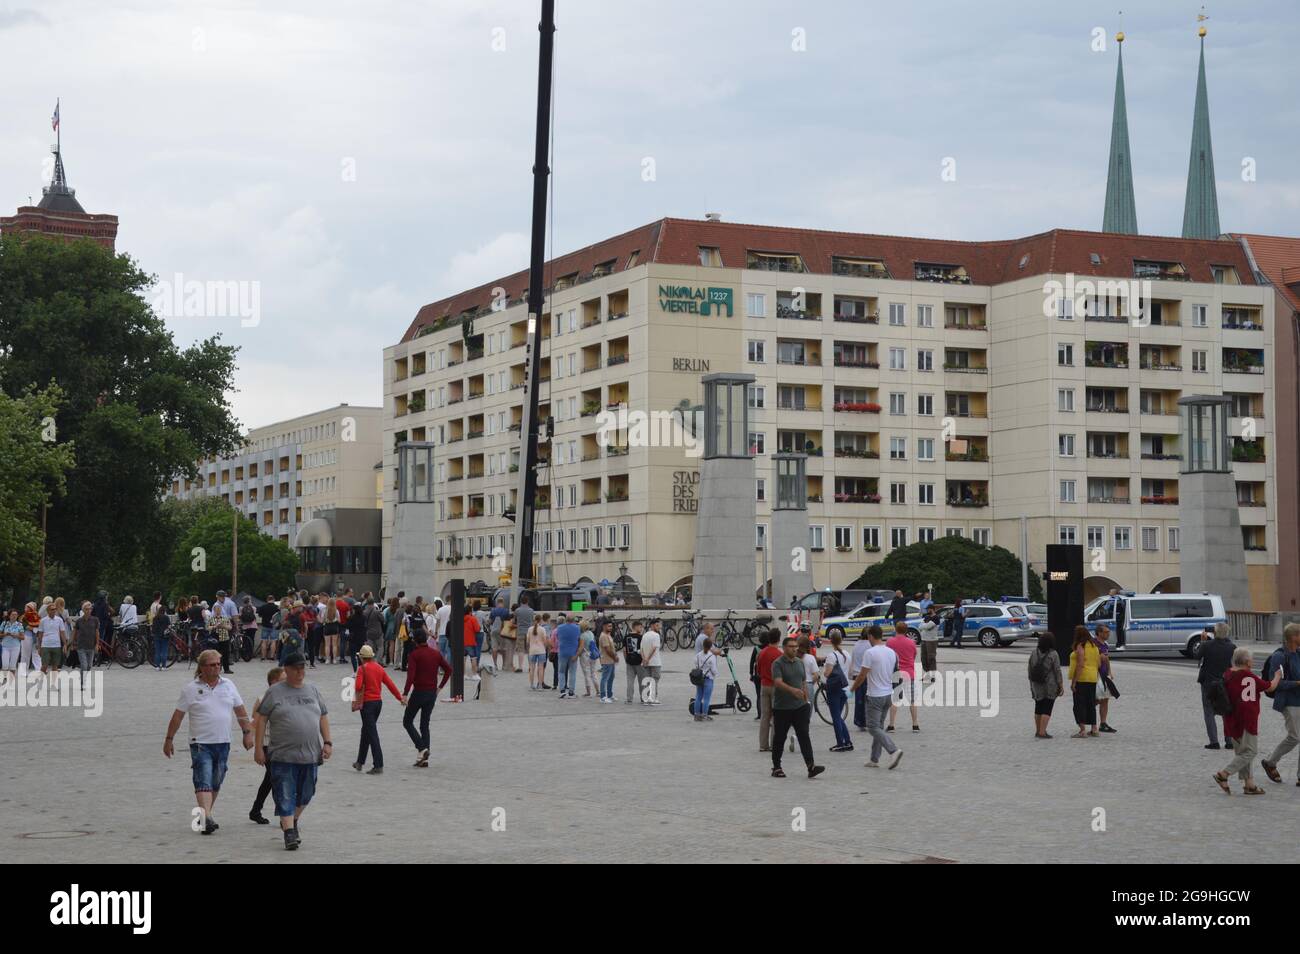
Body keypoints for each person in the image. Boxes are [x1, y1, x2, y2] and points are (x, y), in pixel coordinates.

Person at [163, 649, 254, 835]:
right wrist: (169, 739)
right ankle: (206, 818)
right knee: (203, 779)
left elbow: (241, 712)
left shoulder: (228, 685)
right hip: (200, 742)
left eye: (219, 663)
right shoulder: (190, 689)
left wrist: (247, 733)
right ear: (202, 667)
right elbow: (177, 716)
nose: (217, 667)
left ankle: (206, 816)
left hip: (223, 741)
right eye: (212, 664)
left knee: (216, 781)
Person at [254, 653, 331, 850]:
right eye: (296, 668)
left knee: (307, 792)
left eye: (302, 668)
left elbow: (323, 715)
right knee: (285, 793)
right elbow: (261, 718)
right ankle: (289, 832)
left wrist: (328, 742)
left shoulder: (312, 690)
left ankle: (292, 819)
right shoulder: (275, 692)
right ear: (286, 670)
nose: (300, 672)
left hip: (310, 753)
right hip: (282, 754)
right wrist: (258, 748)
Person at [1213, 647, 1282, 796]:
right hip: (1247, 719)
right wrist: (1277, 676)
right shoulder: (1249, 676)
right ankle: (1223, 774)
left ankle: (1249, 785)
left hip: (1231, 718)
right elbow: (1270, 687)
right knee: (1250, 751)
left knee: (1242, 752)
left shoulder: (1228, 674)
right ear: (1247, 662)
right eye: (1251, 659)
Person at [769, 637, 825, 779]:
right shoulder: (778, 663)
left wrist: (805, 696)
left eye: (796, 646)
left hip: (800, 707)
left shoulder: (800, 663)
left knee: (804, 735)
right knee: (780, 738)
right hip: (782, 707)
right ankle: (776, 767)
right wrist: (793, 691)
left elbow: (802, 681)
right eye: (791, 646)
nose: (795, 648)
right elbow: (777, 682)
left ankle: (811, 766)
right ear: (784, 647)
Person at [852, 626, 903, 769]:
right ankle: (874, 759)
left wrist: (852, 688)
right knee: (879, 727)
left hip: (875, 695)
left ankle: (893, 750)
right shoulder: (892, 652)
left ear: (870, 636)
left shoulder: (870, 652)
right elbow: (895, 673)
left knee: (873, 728)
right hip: (888, 694)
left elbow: (862, 675)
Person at [352, 645, 406, 774]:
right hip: (378, 703)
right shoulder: (379, 668)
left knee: (371, 733)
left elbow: (359, 686)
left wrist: (357, 679)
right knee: (366, 731)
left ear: (361, 657)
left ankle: (378, 764)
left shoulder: (361, 669)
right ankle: (360, 761)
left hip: (367, 704)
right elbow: (390, 684)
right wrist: (400, 698)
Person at [402, 630, 452, 767]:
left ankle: (421, 748)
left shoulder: (414, 655)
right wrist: (440, 687)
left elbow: (410, 676)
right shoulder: (435, 653)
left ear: (415, 641)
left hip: (418, 692)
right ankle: (424, 758)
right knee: (425, 724)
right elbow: (448, 670)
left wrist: (405, 693)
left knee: (407, 721)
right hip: (431, 693)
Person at [1260, 622, 1300, 785]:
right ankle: (1270, 762)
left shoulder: (1298, 653)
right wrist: (1296, 683)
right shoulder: (1279, 656)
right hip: (1289, 701)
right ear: (1293, 637)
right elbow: (1274, 683)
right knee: (1295, 737)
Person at [248, 666, 286, 825]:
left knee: (271, 779)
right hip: (267, 744)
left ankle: (256, 810)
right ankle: (285, 816)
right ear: (274, 682)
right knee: (276, 778)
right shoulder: (263, 698)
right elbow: (255, 722)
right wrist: (253, 743)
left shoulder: (286, 696)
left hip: (282, 744)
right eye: (283, 679)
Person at [1192, 622, 1236, 749]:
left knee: (1208, 711)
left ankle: (1214, 741)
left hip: (1208, 683)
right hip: (1225, 683)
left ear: (1214, 633)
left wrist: (1201, 641)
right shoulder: (1232, 647)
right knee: (1226, 710)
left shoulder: (1206, 645)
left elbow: (1197, 656)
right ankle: (1229, 741)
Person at [1028, 632, 1064, 738]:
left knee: (1038, 707)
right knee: (1047, 708)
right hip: (1050, 685)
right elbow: (1057, 671)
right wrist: (1061, 685)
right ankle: (1043, 732)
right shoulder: (1053, 654)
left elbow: (1029, 668)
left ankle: (1038, 730)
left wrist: (1031, 683)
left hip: (1036, 683)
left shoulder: (1034, 653)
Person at [885, 621, 919, 732]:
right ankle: (915, 725)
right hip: (909, 673)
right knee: (912, 700)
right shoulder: (911, 643)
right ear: (906, 630)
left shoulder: (890, 642)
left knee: (895, 699)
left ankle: (891, 725)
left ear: (896, 629)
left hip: (896, 672)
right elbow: (914, 656)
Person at [821, 631, 852, 752]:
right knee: (838, 716)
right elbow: (849, 673)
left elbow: (827, 673)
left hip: (834, 688)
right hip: (845, 687)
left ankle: (841, 743)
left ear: (830, 641)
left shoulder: (831, 655)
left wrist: (823, 672)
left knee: (836, 717)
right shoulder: (847, 654)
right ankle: (847, 741)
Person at [1068, 625, 1101, 738]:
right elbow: (1099, 664)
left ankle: (1082, 730)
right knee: (1091, 704)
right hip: (1092, 678)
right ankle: (1094, 728)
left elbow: (1080, 664)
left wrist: (1074, 682)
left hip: (1082, 678)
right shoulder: (1094, 646)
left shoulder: (1080, 646)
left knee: (1079, 704)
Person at [757, 628, 783, 751]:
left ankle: (763, 745)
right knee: (776, 717)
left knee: (764, 716)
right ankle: (774, 744)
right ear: (778, 639)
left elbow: (757, 670)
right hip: (775, 686)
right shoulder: (779, 654)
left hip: (764, 685)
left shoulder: (761, 652)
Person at [1094, 623, 1117, 733]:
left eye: (1109, 632)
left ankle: (1103, 723)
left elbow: (1107, 659)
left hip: (1104, 675)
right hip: (1095, 675)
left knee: (1106, 698)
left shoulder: (1105, 645)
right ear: (1099, 633)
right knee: (1097, 699)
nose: (1108, 634)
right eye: (1106, 632)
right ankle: (1087, 720)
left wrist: (1109, 672)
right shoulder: (1094, 644)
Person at [848, 623, 872, 732]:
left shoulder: (856, 644)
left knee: (859, 700)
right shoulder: (870, 645)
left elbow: (852, 660)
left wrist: (851, 674)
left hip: (857, 675)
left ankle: (859, 721)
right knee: (869, 700)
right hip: (867, 675)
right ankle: (869, 721)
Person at [553, 614, 581, 699]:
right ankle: (571, 692)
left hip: (562, 651)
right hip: (573, 652)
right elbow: (579, 638)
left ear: (566, 620)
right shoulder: (577, 628)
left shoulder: (560, 628)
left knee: (561, 671)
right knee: (572, 672)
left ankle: (562, 691)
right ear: (573, 620)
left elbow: (557, 637)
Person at [691, 637, 719, 721]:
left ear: (703, 645)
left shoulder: (698, 655)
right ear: (711, 646)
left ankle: (696, 715)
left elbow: (696, 664)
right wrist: (716, 674)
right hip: (708, 678)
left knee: (698, 696)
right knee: (706, 698)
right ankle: (704, 715)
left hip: (699, 678)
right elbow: (713, 669)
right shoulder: (712, 656)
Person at [37, 602, 68, 676]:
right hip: (45, 645)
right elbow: (40, 634)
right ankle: (41, 679)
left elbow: (62, 632)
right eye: (52, 609)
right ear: (48, 611)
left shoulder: (59, 620)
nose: (54, 611)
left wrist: (65, 644)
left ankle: (53, 683)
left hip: (56, 645)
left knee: (55, 665)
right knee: (45, 665)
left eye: (55, 609)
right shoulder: (43, 621)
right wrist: (39, 647)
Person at [72, 601, 99, 687]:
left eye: (90, 609)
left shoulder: (95, 620)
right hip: (81, 646)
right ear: (83, 610)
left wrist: (97, 644)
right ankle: (83, 682)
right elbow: (75, 632)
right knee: (84, 665)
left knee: (89, 666)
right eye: (86, 609)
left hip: (91, 645)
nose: (88, 611)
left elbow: (97, 632)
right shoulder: (79, 621)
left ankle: (83, 677)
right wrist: (73, 643)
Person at [640, 620, 664, 705]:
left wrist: (644, 659)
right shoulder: (656, 635)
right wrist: (647, 658)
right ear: (652, 626)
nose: (659, 627)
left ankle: (646, 698)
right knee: (655, 680)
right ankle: (653, 698)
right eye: (657, 625)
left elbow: (641, 649)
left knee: (647, 680)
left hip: (646, 662)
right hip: (655, 662)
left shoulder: (645, 635)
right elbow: (654, 648)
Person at [622, 619, 644, 704]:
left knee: (630, 681)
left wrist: (626, 659)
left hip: (629, 661)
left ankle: (629, 698)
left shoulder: (626, 637)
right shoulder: (641, 637)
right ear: (636, 627)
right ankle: (643, 698)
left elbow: (624, 650)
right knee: (641, 681)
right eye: (640, 627)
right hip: (639, 661)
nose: (641, 629)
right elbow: (642, 650)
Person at [577, 618, 600, 697]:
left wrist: (576, 655)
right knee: (593, 673)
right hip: (593, 654)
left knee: (586, 673)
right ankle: (598, 691)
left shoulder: (582, 636)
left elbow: (581, 647)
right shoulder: (591, 633)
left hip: (585, 655)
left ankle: (588, 691)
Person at [917, 606, 941, 681]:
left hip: (931, 640)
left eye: (929, 609)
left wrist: (924, 626)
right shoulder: (926, 617)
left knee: (931, 657)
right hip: (924, 639)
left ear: (933, 609)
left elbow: (928, 626)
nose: (928, 610)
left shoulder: (936, 618)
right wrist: (924, 626)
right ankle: (926, 673)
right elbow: (920, 626)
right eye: (927, 609)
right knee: (923, 657)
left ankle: (933, 675)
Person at [526, 614, 549, 691]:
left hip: (532, 650)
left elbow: (528, 641)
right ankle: (539, 685)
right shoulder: (542, 629)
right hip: (541, 650)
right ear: (541, 620)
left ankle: (532, 685)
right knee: (541, 668)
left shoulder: (529, 629)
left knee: (532, 668)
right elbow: (545, 641)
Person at [512, 596, 534, 673]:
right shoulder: (531, 610)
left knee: (520, 650)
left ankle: (520, 667)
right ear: (527, 602)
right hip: (529, 632)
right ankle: (530, 667)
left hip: (520, 631)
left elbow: (513, 621)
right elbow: (532, 621)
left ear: (521, 602)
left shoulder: (517, 610)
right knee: (529, 650)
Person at [598, 621, 618, 703]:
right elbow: (607, 649)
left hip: (611, 660)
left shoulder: (608, 635)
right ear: (604, 626)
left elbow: (611, 647)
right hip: (606, 660)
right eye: (609, 626)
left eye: (611, 626)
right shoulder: (603, 636)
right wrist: (614, 657)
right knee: (605, 678)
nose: (610, 628)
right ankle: (603, 697)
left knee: (611, 678)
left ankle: (610, 695)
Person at [150, 598, 172, 671]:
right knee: (164, 651)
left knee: (157, 651)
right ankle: (163, 666)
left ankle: (157, 666)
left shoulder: (155, 618)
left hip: (156, 635)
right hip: (165, 636)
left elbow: (153, 627)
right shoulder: (166, 617)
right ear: (164, 611)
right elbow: (169, 626)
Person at [462, 604, 482, 677]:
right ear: (470, 611)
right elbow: (477, 629)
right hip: (470, 641)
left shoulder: (460, 619)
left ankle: (463, 674)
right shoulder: (472, 619)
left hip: (462, 641)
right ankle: (475, 674)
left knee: (463, 659)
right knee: (473, 658)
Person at [257, 596, 279, 660]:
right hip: (274, 626)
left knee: (264, 641)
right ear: (274, 599)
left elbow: (259, 615)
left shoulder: (263, 606)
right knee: (273, 641)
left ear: (267, 600)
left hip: (265, 625)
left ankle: (263, 657)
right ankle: (272, 656)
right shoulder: (276, 607)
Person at [1, 608, 22, 673]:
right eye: (13, 614)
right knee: (5, 665)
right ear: (9, 615)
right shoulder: (4, 623)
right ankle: (5, 678)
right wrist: (5, 634)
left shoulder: (19, 624)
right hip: (5, 646)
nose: (14, 616)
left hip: (16, 646)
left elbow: (23, 637)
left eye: (16, 615)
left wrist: (16, 635)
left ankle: (11, 681)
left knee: (13, 666)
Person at [321, 598, 341, 666]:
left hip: (327, 627)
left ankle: (327, 659)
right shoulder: (336, 611)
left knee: (327, 644)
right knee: (334, 644)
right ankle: (334, 659)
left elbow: (322, 620)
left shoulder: (325, 611)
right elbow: (339, 620)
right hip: (334, 627)